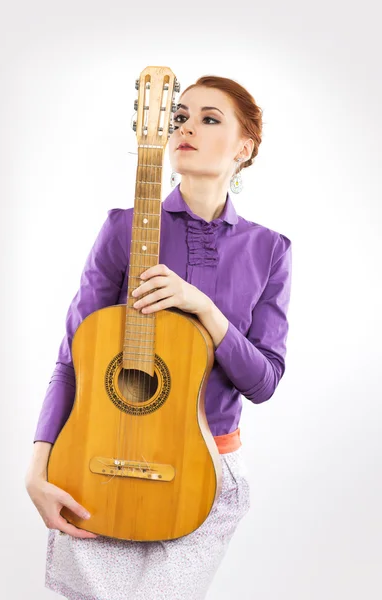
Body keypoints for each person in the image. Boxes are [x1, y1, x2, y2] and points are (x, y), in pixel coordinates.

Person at [25, 75, 293, 599]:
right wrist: (38, 468)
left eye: (208, 119)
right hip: (97, 460)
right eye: (179, 117)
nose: (187, 127)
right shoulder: (123, 228)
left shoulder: (270, 250)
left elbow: (263, 383)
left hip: (203, 472)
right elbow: (73, 359)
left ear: (245, 147)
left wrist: (206, 310)